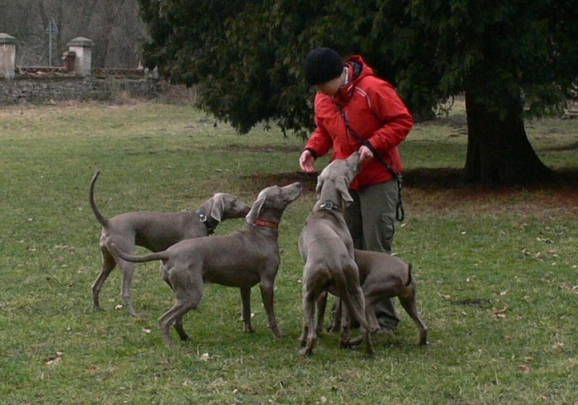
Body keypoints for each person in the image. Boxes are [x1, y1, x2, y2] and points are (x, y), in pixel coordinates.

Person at [299, 47, 413, 333]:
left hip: (378, 179)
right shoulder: (323, 98)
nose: (319, 92)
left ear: (337, 75)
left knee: (376, 248)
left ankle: (383, 319)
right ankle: (348, 317)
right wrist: (312, 149)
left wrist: (374, 144)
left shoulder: (373, 89)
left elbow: (402, 121)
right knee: (344, 251)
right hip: (345, 186)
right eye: (316, 87)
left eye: (322, 84)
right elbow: (324, 131)